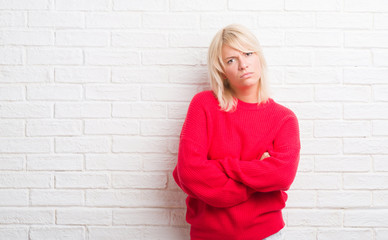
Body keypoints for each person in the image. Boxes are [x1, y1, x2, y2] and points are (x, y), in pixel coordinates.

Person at [172, 24, 301, 240]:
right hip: (209, 235)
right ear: (222, 71)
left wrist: (220, 166)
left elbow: (282, 175)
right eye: (231, 60)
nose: (243, 64)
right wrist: (257, 179)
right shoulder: (203, 105)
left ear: (258, 57)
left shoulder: (284, 118)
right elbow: (189, 173)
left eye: (248, 54)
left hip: (266, 234)